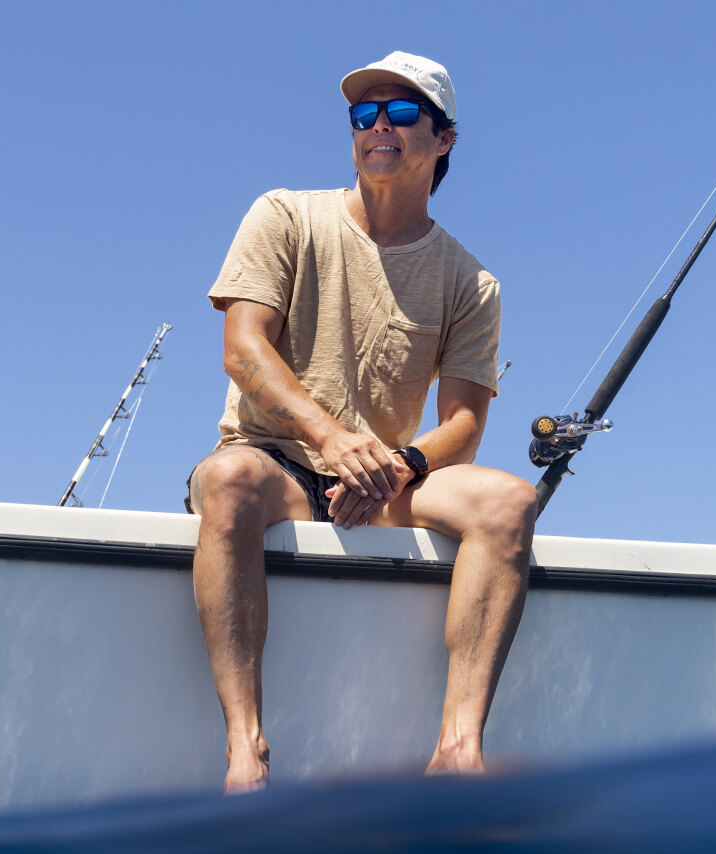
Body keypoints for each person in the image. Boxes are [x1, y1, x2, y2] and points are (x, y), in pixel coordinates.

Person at [187, 51, 537, 794]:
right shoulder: (284, 214)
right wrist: (331, 440)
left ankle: (457, 748)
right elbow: (242, 350)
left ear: (444, 139)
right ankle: (246, 750)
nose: (380, 125)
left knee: (510, 501)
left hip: (381, 485)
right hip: (276, 464)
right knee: (225, 480)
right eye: (364, 113)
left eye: (402, 112)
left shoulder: (473, 283)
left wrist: (398, 466)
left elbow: (464, 425)